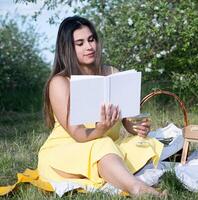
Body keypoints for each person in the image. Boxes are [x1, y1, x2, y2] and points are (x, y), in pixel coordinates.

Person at [38, 16, 165, 197]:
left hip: (106, 149)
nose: (89, 47)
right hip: (68, 150)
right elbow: (78, 135)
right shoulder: (60, 82)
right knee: (103, 144)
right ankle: (137, 188)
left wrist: (136, 127)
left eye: (91, 40)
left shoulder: (112, 72)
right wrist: (102, 128)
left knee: (144, 142)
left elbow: (127, 119)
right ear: (67, 48)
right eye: (80, 43)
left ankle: (116, 174)